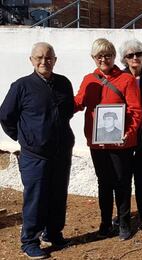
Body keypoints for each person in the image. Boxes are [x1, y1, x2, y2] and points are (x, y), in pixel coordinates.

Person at [0, 42, 74, 259]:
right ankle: (30, 241)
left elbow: (67, 112)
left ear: (55, 60)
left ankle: (53, 232)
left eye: (49, 58)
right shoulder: (21, 86)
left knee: (58, 195)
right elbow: (6, 116)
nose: (44, 62)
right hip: (35, 155)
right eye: (39, 58)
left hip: (61, 152)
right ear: (31, 60)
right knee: (36, 197)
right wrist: (26, 138)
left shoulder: (63, 83)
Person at [74, 38, 142, 241]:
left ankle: (123, 222)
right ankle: (105, 222)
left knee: (121, 181)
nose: (104, 59)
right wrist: (59, 100)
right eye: (99, 56)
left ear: (114, 57)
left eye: (108, 55)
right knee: (104, 183)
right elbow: (79, 101)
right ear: (93, 58)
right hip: (98, 142)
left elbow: (135, 110)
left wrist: (128, 133)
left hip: (121, 142)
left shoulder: (126, 79)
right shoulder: (89, 79)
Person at [119, 39, 142, 224]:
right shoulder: (119, 77)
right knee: (123, 175)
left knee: (141, 173)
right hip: (125, 133)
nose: (135, 58)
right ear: (124, 59)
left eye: (138, 54)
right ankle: (124, 215)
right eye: (130, 55)